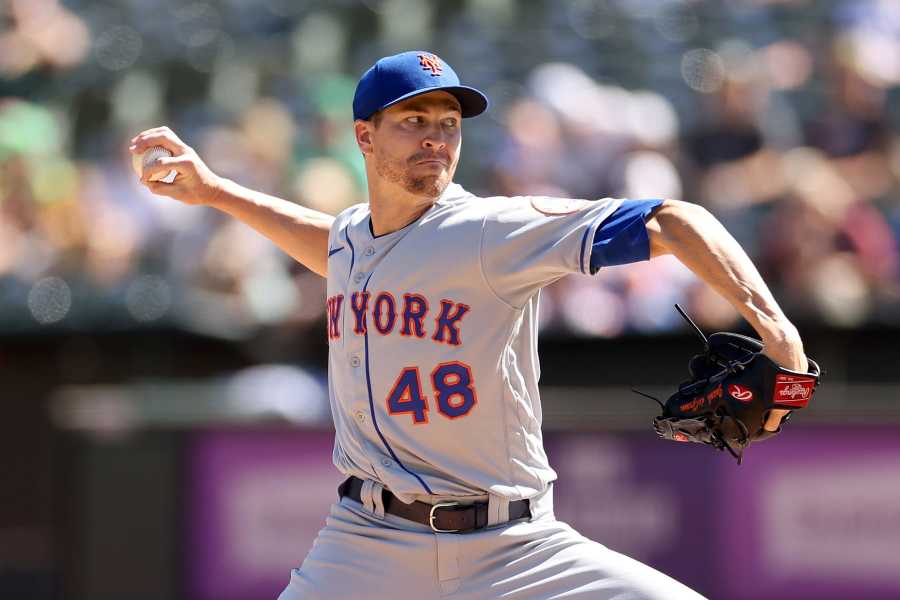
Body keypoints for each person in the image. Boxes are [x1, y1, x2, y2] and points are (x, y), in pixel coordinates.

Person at [130, 51, 809, 599]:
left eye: (449, 121)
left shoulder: (488, 231)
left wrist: (779, 336)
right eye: (413, 119)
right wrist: (214, 191)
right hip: (366, 542)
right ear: (364, 136)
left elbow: (673, 221)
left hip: (514, 550)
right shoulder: (353, 240)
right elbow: (333, 245)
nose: (436, 135)